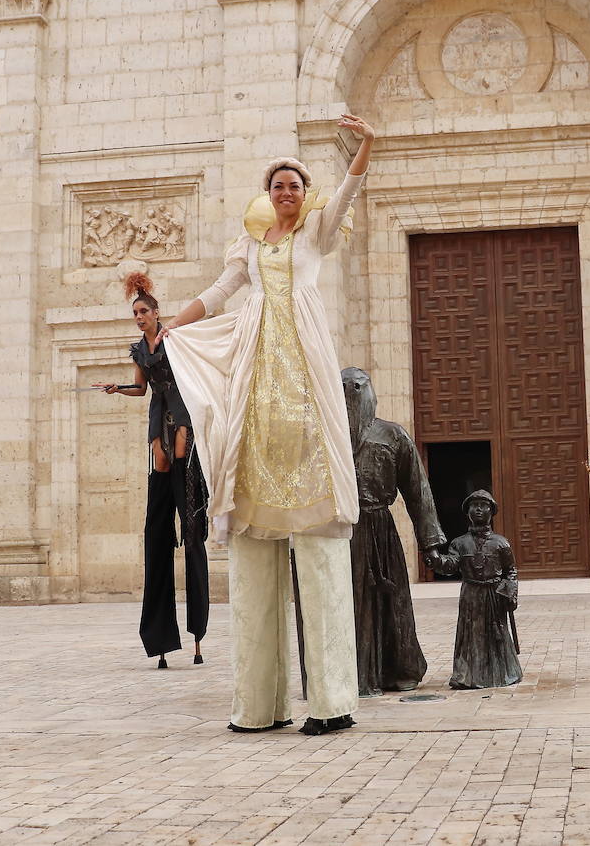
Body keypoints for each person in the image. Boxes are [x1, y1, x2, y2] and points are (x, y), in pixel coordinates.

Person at [162, 114, 376, 735]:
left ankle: (332, 701)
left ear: (304, 195)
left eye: (295, 186)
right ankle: (258, 705)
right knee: (254, 550)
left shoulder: (317, 235)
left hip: (304, 386)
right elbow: (222, 289)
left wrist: (365, 146)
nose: (286, 193)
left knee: (319, 546)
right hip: (258, 386)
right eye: (278, 185)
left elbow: (346, 196)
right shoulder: (250, 246)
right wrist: (175, 322)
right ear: (267, 194)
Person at [96, 272, 209, 669]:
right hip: (157, 414)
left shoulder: (173, 337)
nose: (139, 317)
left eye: (144, 311)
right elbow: (141, 389)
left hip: (181, 413)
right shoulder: (137, 351)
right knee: (157, 511)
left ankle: (198, 633)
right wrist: (117, 389)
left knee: (191, 529)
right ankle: (161, 637)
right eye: (136, 313)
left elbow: (192, 375)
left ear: (156, 312)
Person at [341, 366, 447, 695]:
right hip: (341, 532)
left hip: (380, 530)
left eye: (359, 387)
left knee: (391, 601)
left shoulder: (392, 435)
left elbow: (418, 491)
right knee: (346, 605)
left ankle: (399, 668)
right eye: (346, 388)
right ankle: (349, 674)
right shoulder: (327, 435)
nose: (353, 394)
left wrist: (431, 543)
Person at [429, 490, 522, 690]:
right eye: (474, 505)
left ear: (492, 511)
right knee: (470, 635)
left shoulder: (501, 542)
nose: (479, 509)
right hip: (471, 595)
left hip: (494, 594)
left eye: (484, 505)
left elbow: (511, 571)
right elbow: (450, 565)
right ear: (467, 511)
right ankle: (467, 676)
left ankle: (503, 673)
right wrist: (437, 559)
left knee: (497, 634)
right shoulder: (459, 543)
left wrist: (510, 593)